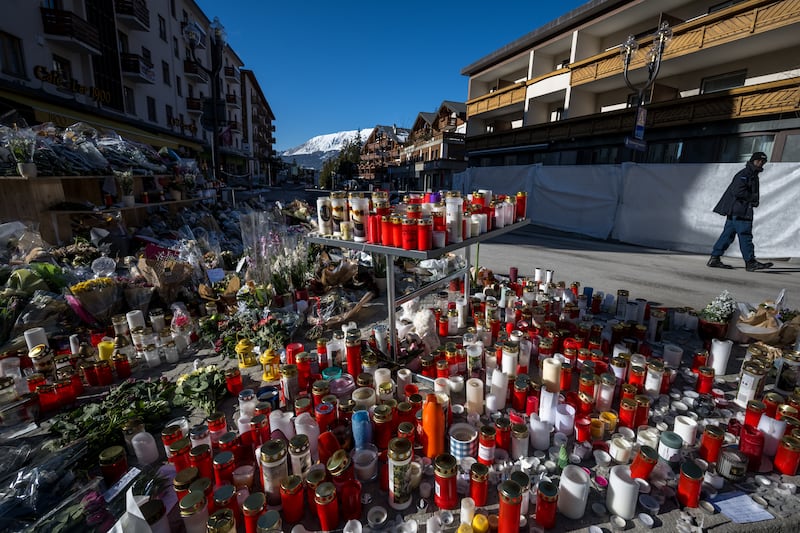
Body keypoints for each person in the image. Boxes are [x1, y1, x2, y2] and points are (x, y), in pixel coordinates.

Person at [707, 151, 773, 271]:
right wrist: (753, 198)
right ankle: (750, 262)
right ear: (752, 160)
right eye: (758, 161)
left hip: (735, 211)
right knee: (745, 235)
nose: (760, 163)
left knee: (727, 235)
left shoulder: (752, 174)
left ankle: (714, 258)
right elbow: (738, 191)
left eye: (763, 162)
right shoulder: (746, 174)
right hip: (740, 210)